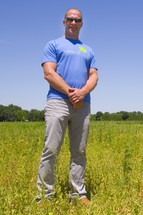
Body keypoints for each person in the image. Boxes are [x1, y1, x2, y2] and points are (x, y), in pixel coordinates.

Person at [36, 8, 98, 205]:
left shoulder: (88, 49)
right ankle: (45, 196)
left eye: (77, 20)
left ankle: (78, 194)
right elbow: (49, 73)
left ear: (81, 23)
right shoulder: (53, 44)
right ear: (64, 22)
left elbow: (94, 76)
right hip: (58, 102)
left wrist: (82, 93)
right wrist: (72, 93)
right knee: (51, 149)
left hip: (83, 105)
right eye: (70, 19)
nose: (73, 22)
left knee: (79, 151)